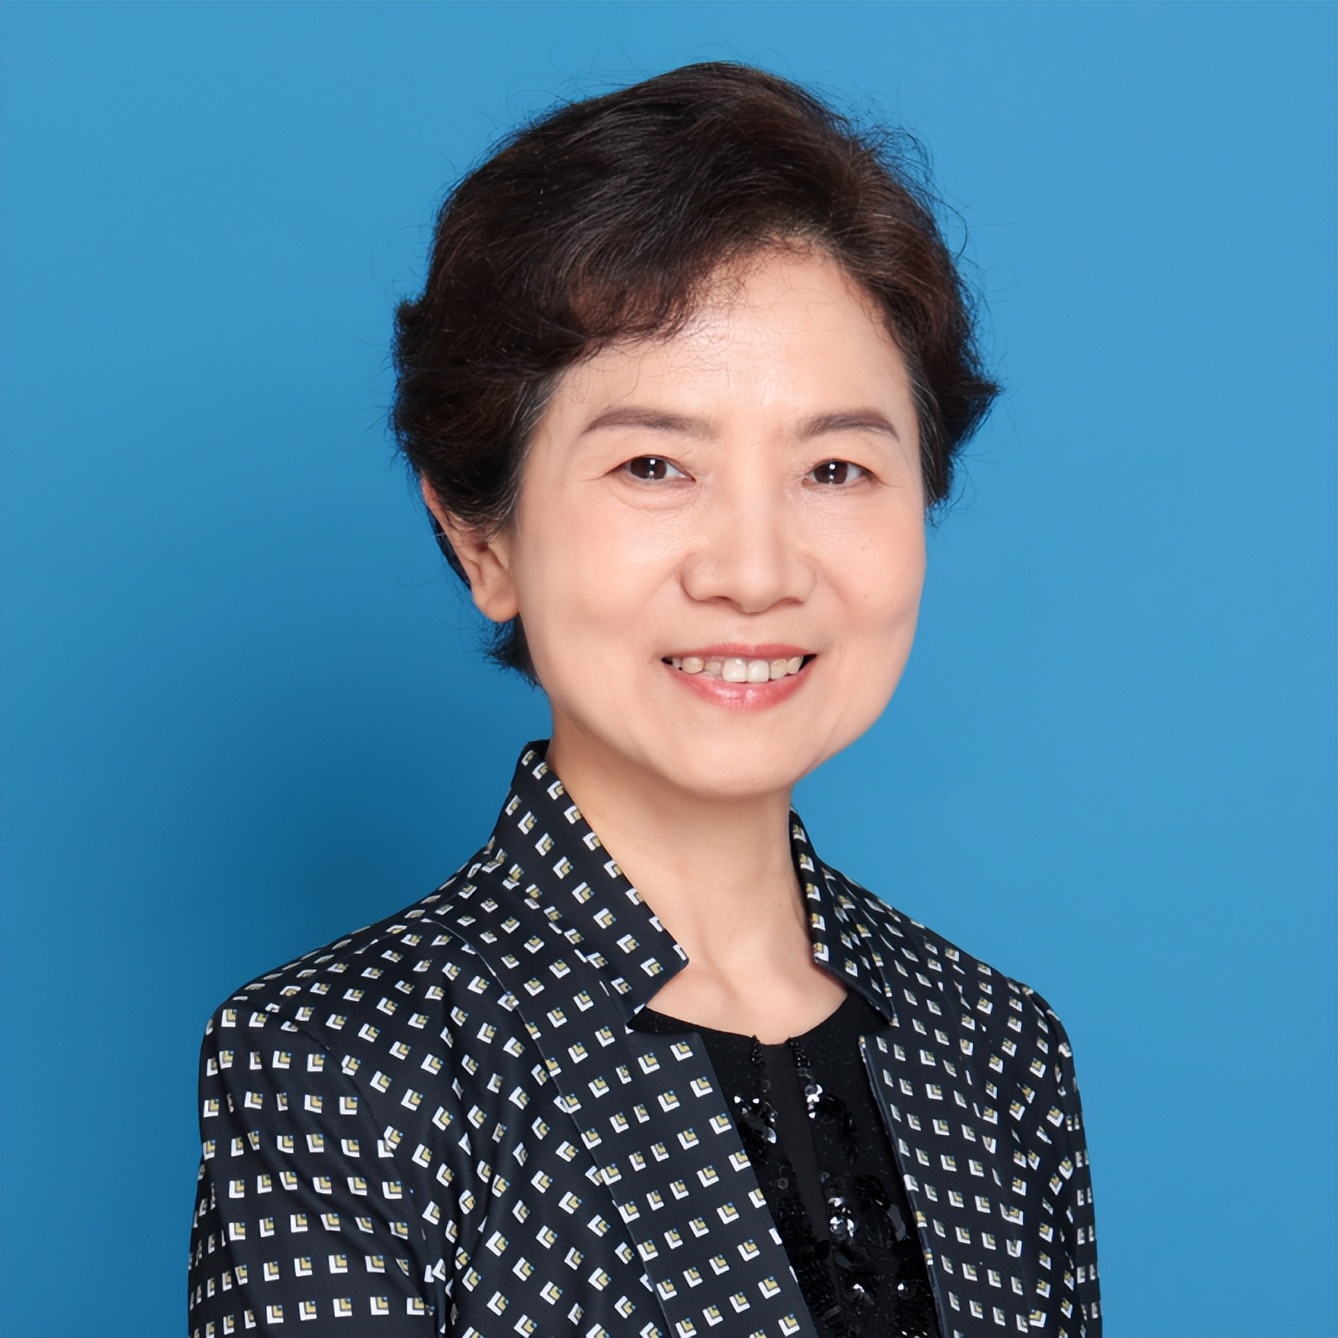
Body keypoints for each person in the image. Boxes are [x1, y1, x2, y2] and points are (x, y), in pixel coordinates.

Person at [187, 63, 1100, 1338]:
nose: (756, 572)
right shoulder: (343, 1068)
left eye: (836, 468)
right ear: (483, 540)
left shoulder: (998, 1048)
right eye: (655, 465)